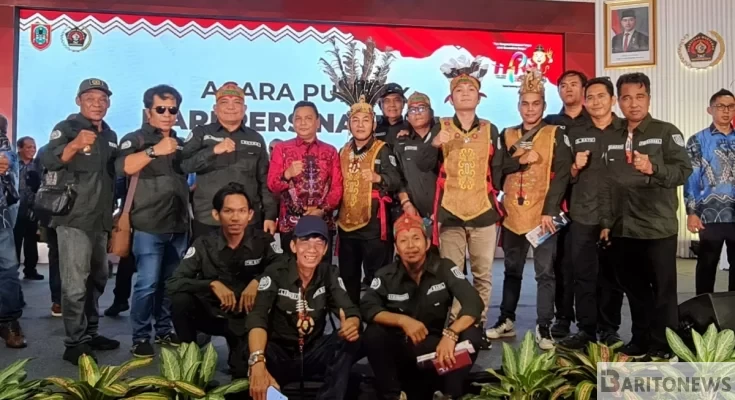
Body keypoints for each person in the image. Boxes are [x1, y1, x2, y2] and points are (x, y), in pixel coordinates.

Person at [599, 73, 692, 358]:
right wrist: (606, 223)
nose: (633, 103)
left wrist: (654, 168)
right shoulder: (612, 136)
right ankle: (640, 339)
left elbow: (683, 171)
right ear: (619, 101)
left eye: (640, 97)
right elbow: (607, 183)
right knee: (635, 290)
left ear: (649, 99)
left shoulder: (666, 132)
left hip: (657, 227)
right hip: (623, 227)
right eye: (627, 98)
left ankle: (664, 345)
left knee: (663, 292)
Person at [487, 68, 572, 350]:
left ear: (544, 106)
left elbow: (562, 175)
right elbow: (497, 172)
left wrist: (550, 210)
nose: (530, 109)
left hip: (542, 215)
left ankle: (544, 326)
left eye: (536, 103)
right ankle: (506, 319)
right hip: (513, 213)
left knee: (545, 273)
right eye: (525, 103)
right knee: (511, 270)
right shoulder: (508, 134)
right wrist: (521, 160)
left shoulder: (554, 134)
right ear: (518, 105)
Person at [417, 56, 501, 334]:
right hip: (451, 212)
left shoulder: (490, 129)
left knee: (483, 275)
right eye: (459, 90)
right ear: (450, 99)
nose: (465, 94)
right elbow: (422, 165)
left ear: (479, 97)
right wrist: (433, 144)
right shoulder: (440, 127)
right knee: (453, 275)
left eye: (470, 90)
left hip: (483, 212)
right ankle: (454, 327)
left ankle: (477, 326)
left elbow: (499, 169)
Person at [361, 213, 485, 400]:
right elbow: (367, 307)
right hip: (401, 352)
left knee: (472, 333)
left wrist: (451, 334)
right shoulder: (385, 275)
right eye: (403, 241)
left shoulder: (444, 268)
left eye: (416, 238)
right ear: (396, 248)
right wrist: (402, 321)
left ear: (427, 243)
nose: (411, 246)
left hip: (437, 351)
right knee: (373, 333)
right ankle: (394, 395)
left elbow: (473, 302)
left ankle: (449, 394)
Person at [41, 78, 121, 364]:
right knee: (75, 285)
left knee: (98, 280)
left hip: (100, 219)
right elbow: (49, 160)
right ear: (79, 101)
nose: (97, 104)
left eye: (102, 99)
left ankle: (90, 332)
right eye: (90, 98)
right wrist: (75, 145)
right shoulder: (66, 128)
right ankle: (74, 343)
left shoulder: (110, 134)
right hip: (74, 218)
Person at [167, 183, 282, 377]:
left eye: (241, 211)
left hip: (249, 318)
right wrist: (211, 285)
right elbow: (173, 283)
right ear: (216, 214)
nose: (235, 218)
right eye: (228, 211)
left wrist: (259, 282)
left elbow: (283, 268)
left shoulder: (263, 242)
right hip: (214, 315)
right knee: (180, 300)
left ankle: (246, 353)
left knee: (242, 377)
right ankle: (190, 361)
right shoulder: (204, 244)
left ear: (250, 214)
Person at [320, 40, 402, 304]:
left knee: (378, 279)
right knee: (348, 279)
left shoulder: (382, 149)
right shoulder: (342, 151)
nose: (360, 124)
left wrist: (379, 179)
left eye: (366, 120)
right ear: (349, 124)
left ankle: (378, 320)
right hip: (347, 226)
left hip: (374, 227)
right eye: (355, 120)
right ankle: (352, 319)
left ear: (373, 123)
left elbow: (396, 180)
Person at [246, 216, 361, 400]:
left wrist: (351, 325)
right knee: (250, 348)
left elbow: (350, 311)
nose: (311, 249)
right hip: (280, 352)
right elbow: (257, 317)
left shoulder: (329, 273)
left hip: (312, 350)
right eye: (305, 241)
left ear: (325, 249)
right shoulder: (276, 273)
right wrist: (258, 360)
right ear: (293, 246)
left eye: (318, 243)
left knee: (351, 341)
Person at [116, 85, 190, 357]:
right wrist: (153, 151)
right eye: (161, 109)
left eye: (172, 110)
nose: (167, 114)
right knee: (146, 284)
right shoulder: (135, 139)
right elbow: (123, 167)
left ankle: (163, 329)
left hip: (178, 225)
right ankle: (140, 336)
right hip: (148, 224)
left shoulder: (181, 144)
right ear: (148, 112)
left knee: (170, 284)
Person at [557, 77, 623, 349]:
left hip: (618, 216)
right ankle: (585, 329)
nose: (595, 102)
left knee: (612, 276)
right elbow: (564, 175)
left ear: (612, 100)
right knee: (583, 276)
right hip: (583, 213)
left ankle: (609, 329)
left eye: (601, 96)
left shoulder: (625, 130)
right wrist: (575, 167)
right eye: (591, 97)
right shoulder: (575, 132)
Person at [181, 82, 277, 240]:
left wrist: (270, 215)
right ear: (215, 109)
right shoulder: (201, 133)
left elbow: (265, 181)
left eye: (237, 102)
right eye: (224, 102)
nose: (231, 107)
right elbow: (184, 165)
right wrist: (213, 151)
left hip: (247, 220)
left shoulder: (256, 138)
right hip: (208, 218)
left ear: (244, 109)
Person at [543, 70, 589, 339]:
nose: (568, 89)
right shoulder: (549, 122)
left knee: (588, 264)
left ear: (583, 89)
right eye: (563, 85)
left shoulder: (594, 121)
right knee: (560, 263)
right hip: (557, 202)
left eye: (574, 84)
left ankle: (591, 320)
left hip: (587, 201)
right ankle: (562, 316)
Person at [267, 101, 342, 257]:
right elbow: (272, 185)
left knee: (322, 269)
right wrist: (287, 174)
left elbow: (337, 187)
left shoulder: (330, 151)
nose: (302, 123)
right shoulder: (282, 149)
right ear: (292, 122)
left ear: (318, 122)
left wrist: (322, 210)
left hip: (322, 222)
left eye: (308, 118)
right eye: (298, 118)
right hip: (291, 225)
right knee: (291, 268)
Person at [684, 89, 735, 295]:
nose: (726, 111)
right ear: (710, 110)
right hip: (710, 214)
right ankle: (703, 309)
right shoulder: (698, 140)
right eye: (720, 106)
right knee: (707, 265)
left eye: (730, 107)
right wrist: (692, 212)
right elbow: (691, 178)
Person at [393, 92, 439, 227]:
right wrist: (406, 203)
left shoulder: (442, 138)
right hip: (413, 215)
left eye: (422, 108)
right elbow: (397, 178)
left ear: (431, 113)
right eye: (412, 110)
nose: (417, 113)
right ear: (407, 117)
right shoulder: (401, 142)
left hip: (445, 214)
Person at [0, 115, 26, 349]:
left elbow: (5, 160)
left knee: (8, 272)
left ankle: (8, 322)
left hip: (2, 222)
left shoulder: (7, 153)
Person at [14, 136, 43, 281]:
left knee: (31, 241)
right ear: (20, 148)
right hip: (14, 208)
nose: (32, 150)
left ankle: (30, 270)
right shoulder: (12, 163)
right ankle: (12, 272)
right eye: (29, 147)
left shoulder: (37, 165)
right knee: (15, 241)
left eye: (34, 147)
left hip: (32, 208)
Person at [375, 83, 409, 148]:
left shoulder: (412, 130)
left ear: (403, 104)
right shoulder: (372, 130)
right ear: (380, 105)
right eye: (387, 101)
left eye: (397, 100)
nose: (392, 105)